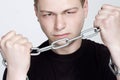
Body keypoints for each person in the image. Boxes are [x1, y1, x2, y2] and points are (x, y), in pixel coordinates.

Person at [0, 0, 120, 80]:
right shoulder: (20, 63)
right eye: (48, 14)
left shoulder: (108, 56)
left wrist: (116, 46)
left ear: (85, 8)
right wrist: (16, 72)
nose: (59, 25)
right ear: (36, 12)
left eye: (69, 12)